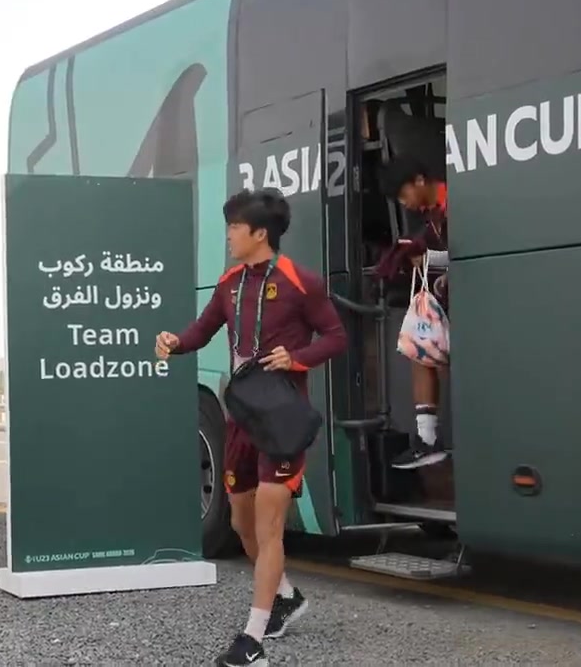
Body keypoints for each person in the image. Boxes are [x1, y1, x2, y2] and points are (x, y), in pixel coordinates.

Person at [155, 187, 346, 666]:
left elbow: (336, 337)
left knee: (269, 525)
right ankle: (287, 597)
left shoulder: (301, 281)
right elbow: (201, 332)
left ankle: (252, 639)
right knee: (241, 524)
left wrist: (297, 359)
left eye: (234, 227)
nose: (228, 235)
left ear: (260, 233)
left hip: (282, 420)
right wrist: (175, 342)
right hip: (240, 416)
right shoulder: (229, 283)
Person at [377, 157, 450, 470]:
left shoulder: (458, 199)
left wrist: (429, 257)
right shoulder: (430, 216)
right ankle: (427, 440)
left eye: (403, 193)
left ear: (420, 180)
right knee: (420, 349)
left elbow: (471, 249)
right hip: (447, 300)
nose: (404, 203)